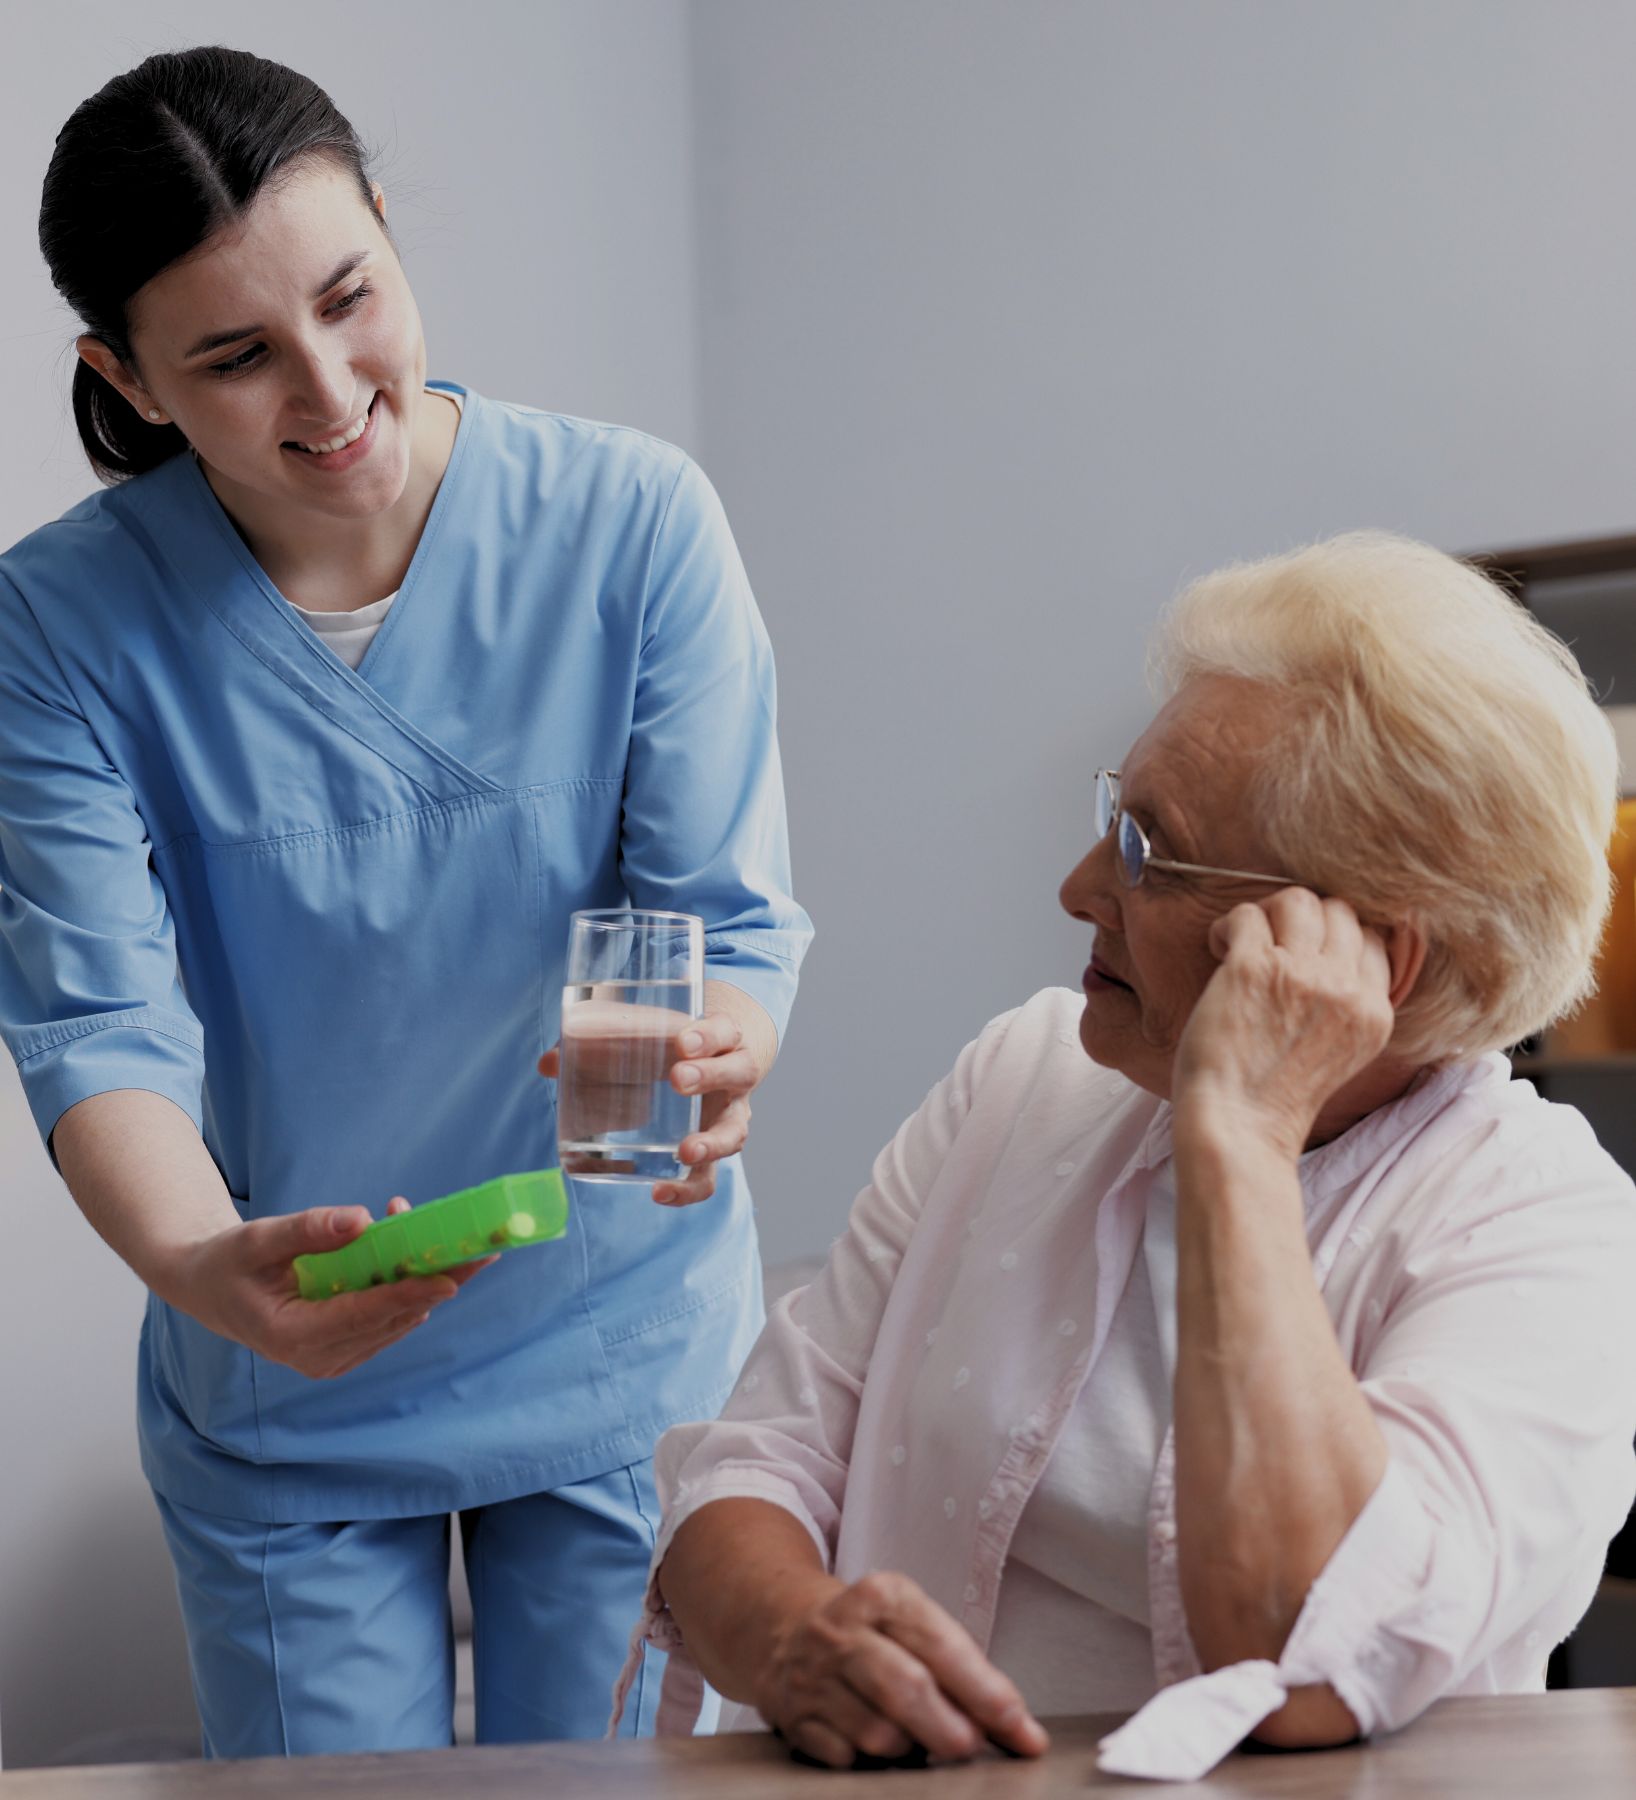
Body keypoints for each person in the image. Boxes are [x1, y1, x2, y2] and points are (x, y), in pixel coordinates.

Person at [0, 46, 810, 1757]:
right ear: (124, 379)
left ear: (384, 223)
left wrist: (723, 1045)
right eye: (235, 358)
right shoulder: (60, 631)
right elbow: (96, 1021)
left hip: (618, 1343)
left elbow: (720, 919)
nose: (329, 390)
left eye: (350, 296)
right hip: (287, 1372)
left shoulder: (633, 525)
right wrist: (201, 1264)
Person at [623, 532, 1636, 1781]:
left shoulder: (1545, 1226)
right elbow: (754, 1465)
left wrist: (1242, 1135)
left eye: (1151, 849)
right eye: (1115, 816)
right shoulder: (1021, 1077)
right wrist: (792, 1639)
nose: (1076, 886)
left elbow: (1315, 1663)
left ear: (1370, 958)